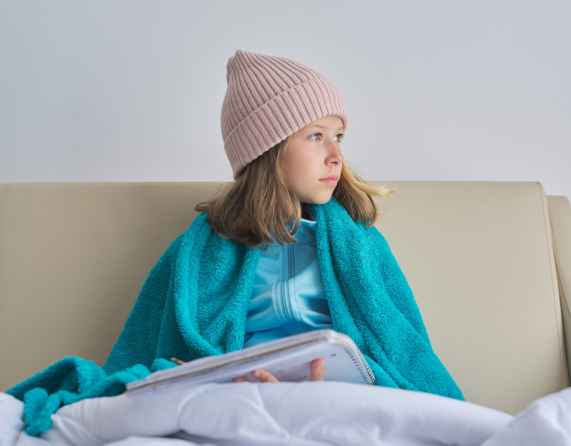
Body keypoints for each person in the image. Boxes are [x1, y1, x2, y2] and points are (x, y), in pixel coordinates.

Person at [102, 49, 464, 400]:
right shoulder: (199, 250)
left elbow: (400, 350)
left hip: (342, 396)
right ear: (267, 150)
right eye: (316, 136)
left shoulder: (361, 243)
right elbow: (158, 346)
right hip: (241, 396)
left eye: (338, 137)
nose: (337, 156)